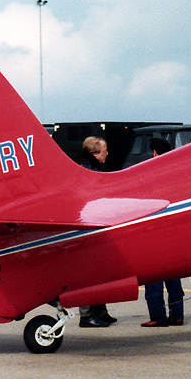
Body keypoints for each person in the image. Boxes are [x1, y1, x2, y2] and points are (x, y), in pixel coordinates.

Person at [141, 137, 186, 327]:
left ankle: (158, 315)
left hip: (155, 230)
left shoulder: (151, 174)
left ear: (154, 153)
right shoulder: (176, 173)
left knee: (153, 275)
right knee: (173, 276)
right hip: (174, 231)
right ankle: (177, 314)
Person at [78, 137, 117, 328]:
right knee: (88, 273)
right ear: (94, 153)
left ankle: (100, 311)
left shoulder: (90, 169)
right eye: (104, 150)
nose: (107, 153)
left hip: (93, 225)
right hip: (88, 228)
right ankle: (86, 315)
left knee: (99, 271)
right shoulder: (88, 172)